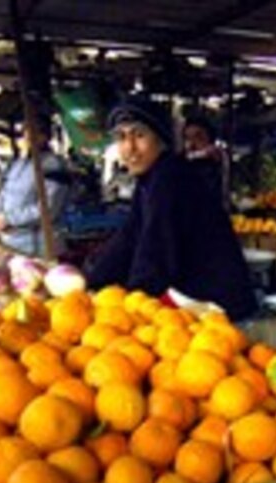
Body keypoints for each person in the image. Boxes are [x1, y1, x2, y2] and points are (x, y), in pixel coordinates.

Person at [84, 97, 258, 321]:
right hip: (196, 305)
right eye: (121, 137)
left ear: (161, 141)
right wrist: (91, 282)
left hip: (218, 313)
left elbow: (155, 252)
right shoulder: (150, 179)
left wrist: (134, 303)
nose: (130, 148)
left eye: (139, 135)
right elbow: (128, 238)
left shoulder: (171, 179)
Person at [0, 116, 71, 256]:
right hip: (10, 243)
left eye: (35, 132)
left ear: (45, 137)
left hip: (39, 246)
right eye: (25, 131)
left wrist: (9, 219)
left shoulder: (53, 165)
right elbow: (4, 192)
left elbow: (48, 209)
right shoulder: (18, 164)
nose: (28, 137)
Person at [181, 114, 229, 209]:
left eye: (198, 138)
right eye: (187, 138)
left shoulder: (214, 156)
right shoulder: (183, 165)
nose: (191, 144)